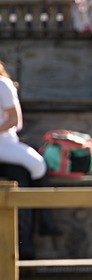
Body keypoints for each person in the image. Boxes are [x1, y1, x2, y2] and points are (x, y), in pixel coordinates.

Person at [0, 60, 56, 259]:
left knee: (37, 165)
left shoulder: (2, 84)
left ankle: (45, 222)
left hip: (3, 143)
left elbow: (15, 120)